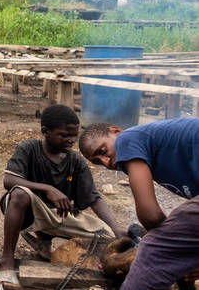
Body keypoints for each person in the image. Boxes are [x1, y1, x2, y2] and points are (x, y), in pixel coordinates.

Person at [0, 104, 124, 286]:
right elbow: (8, 180)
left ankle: (44, 242)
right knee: (19, 194)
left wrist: (116, 227)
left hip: (62, 215)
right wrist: (48, 189)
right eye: (64, 135)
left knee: (109, 238)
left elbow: (94, 198)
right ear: (45, 131)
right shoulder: (29, 149)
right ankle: (7, 259)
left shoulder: (76, 162)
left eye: (74, 135)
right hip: (34, 211)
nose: (71, 140)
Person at [79, 118, 199, 290]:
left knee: (153, 252)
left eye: (103, 151)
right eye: (98, 161)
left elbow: (150, 216)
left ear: (116, 131)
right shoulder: (154, 152)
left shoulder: (128, 139)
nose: (105, 162)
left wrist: (164, 246)